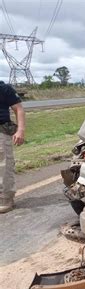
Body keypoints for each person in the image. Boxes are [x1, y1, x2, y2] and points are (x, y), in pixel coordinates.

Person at [0, 81, 25, 213]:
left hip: (1, 131)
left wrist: (20, 130)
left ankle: (5, 199)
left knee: (4, 166)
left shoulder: (3, 88)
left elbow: (18, 109)